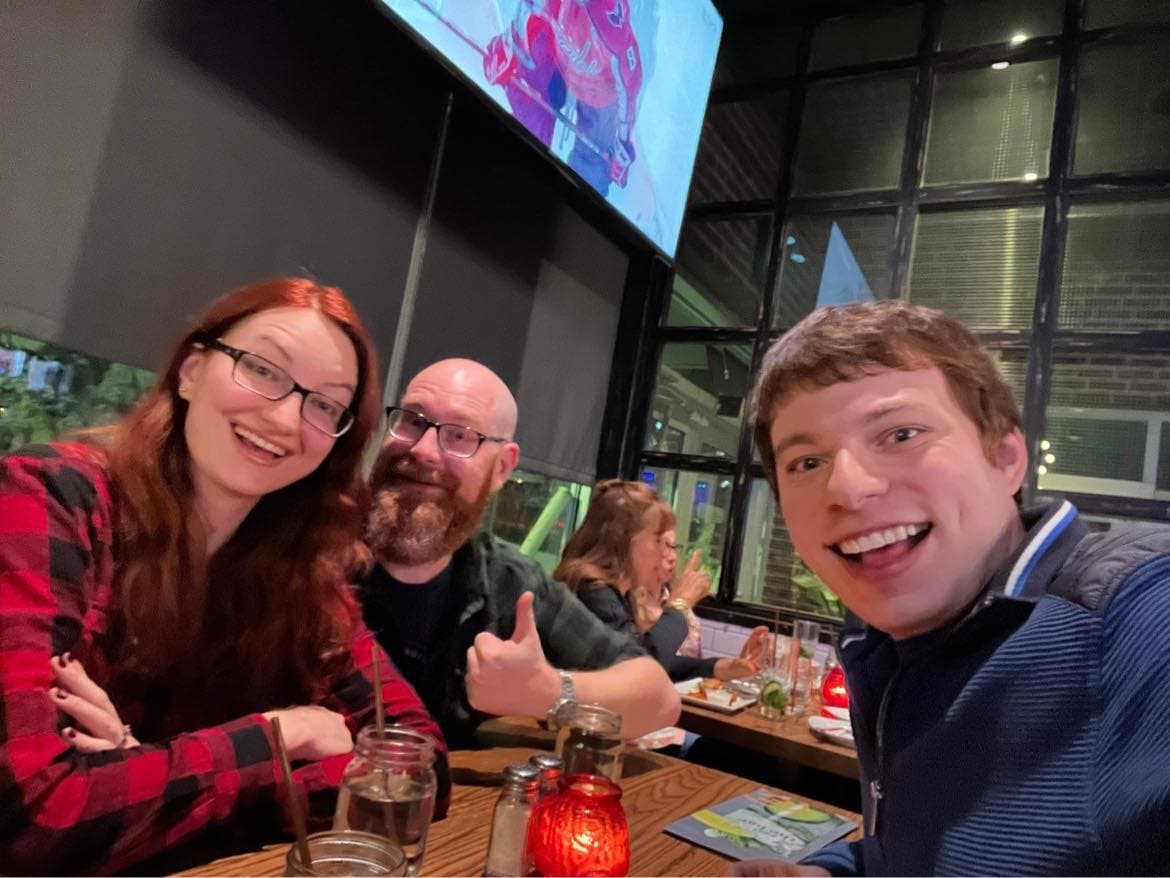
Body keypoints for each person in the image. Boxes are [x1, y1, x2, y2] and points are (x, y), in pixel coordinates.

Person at [0, 278, 447, 874]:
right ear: (190, 370)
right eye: (262, 369)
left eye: (324, 404)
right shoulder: (50, 500)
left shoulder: (303, 577)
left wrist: (147, 774)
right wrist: (281, 735)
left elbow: (420, 767)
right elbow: (32, 817)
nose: (288, 418)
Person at [735, 300, 1170, 875]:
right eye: (807, 462)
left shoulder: (1134, 617)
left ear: (1006, 457)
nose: (847, 488)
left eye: (901, 433)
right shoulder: (891, 645)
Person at [359, 358, 680, 750]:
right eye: (412, 420)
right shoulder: (311, 549)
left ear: (502, 468)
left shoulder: (509, 582)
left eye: (460, 435)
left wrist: (546, 692)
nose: (424, 449)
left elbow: (658, 699)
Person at [554, 479, 759, 682]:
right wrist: (680, 604)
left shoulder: (616, 594)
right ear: (625, 539)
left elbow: (648, 657)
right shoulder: (592, 591)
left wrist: (719, 667)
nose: (666, 553)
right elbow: (639, 669)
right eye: (658, 539)